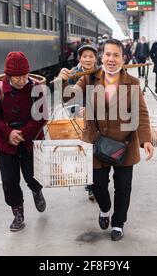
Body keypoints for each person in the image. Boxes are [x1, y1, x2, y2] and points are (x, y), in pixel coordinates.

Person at [58, 39, 154, 241]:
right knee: (98, 184)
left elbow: (142, 114)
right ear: (102, 57)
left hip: (125, 144)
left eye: (116, 55)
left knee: (123, 187)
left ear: (123, 58)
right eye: (108, 55)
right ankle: (105, 208)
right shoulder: (89, 79)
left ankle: (118, 223)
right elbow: (69, 97)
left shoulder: (132, 83)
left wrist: (146, 140)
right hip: (96, 143)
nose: (111, 59)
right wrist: (64, 80)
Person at [0, 52, 47, 232]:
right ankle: (18, 214)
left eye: (24, 75)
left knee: (31, 176)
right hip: (7, 142)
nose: (21, 80)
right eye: (17, 77)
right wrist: (8, 133)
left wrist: (23, 133)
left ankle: (37, 191)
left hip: (31, 139)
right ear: (8, 75)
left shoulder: (36, 88)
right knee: (9, 180)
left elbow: (42, 116)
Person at [68, 44, 99, 202]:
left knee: (96, 152)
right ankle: (90, 185)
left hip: (98, 119)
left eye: (91, 56)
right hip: (78, 116)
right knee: (84, 152)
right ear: (79, 58)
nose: (87, 59)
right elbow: (69, 95)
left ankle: (96, 184)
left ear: (96, 58)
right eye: (84, 56)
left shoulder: (102, 73)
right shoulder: (73, 73)